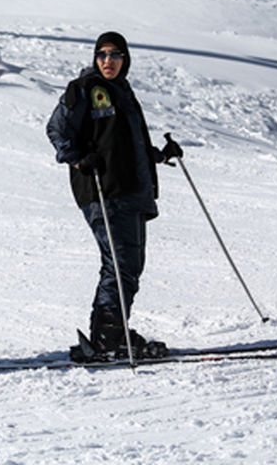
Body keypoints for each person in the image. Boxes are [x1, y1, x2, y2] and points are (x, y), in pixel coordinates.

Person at [46, 32, 182, 361]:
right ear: (95, 58)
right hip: (102, 190)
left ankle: (113, 331)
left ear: (125, 59)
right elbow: (56, 130)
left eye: (116, 55)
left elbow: (123, 145)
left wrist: (160, 156)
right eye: (103, 54)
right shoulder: (83, 90)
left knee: (130, 266)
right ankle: (108, 336)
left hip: (132, 190)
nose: (108, 61)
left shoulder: (122, 92)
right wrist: (78, 158)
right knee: (119, 264)